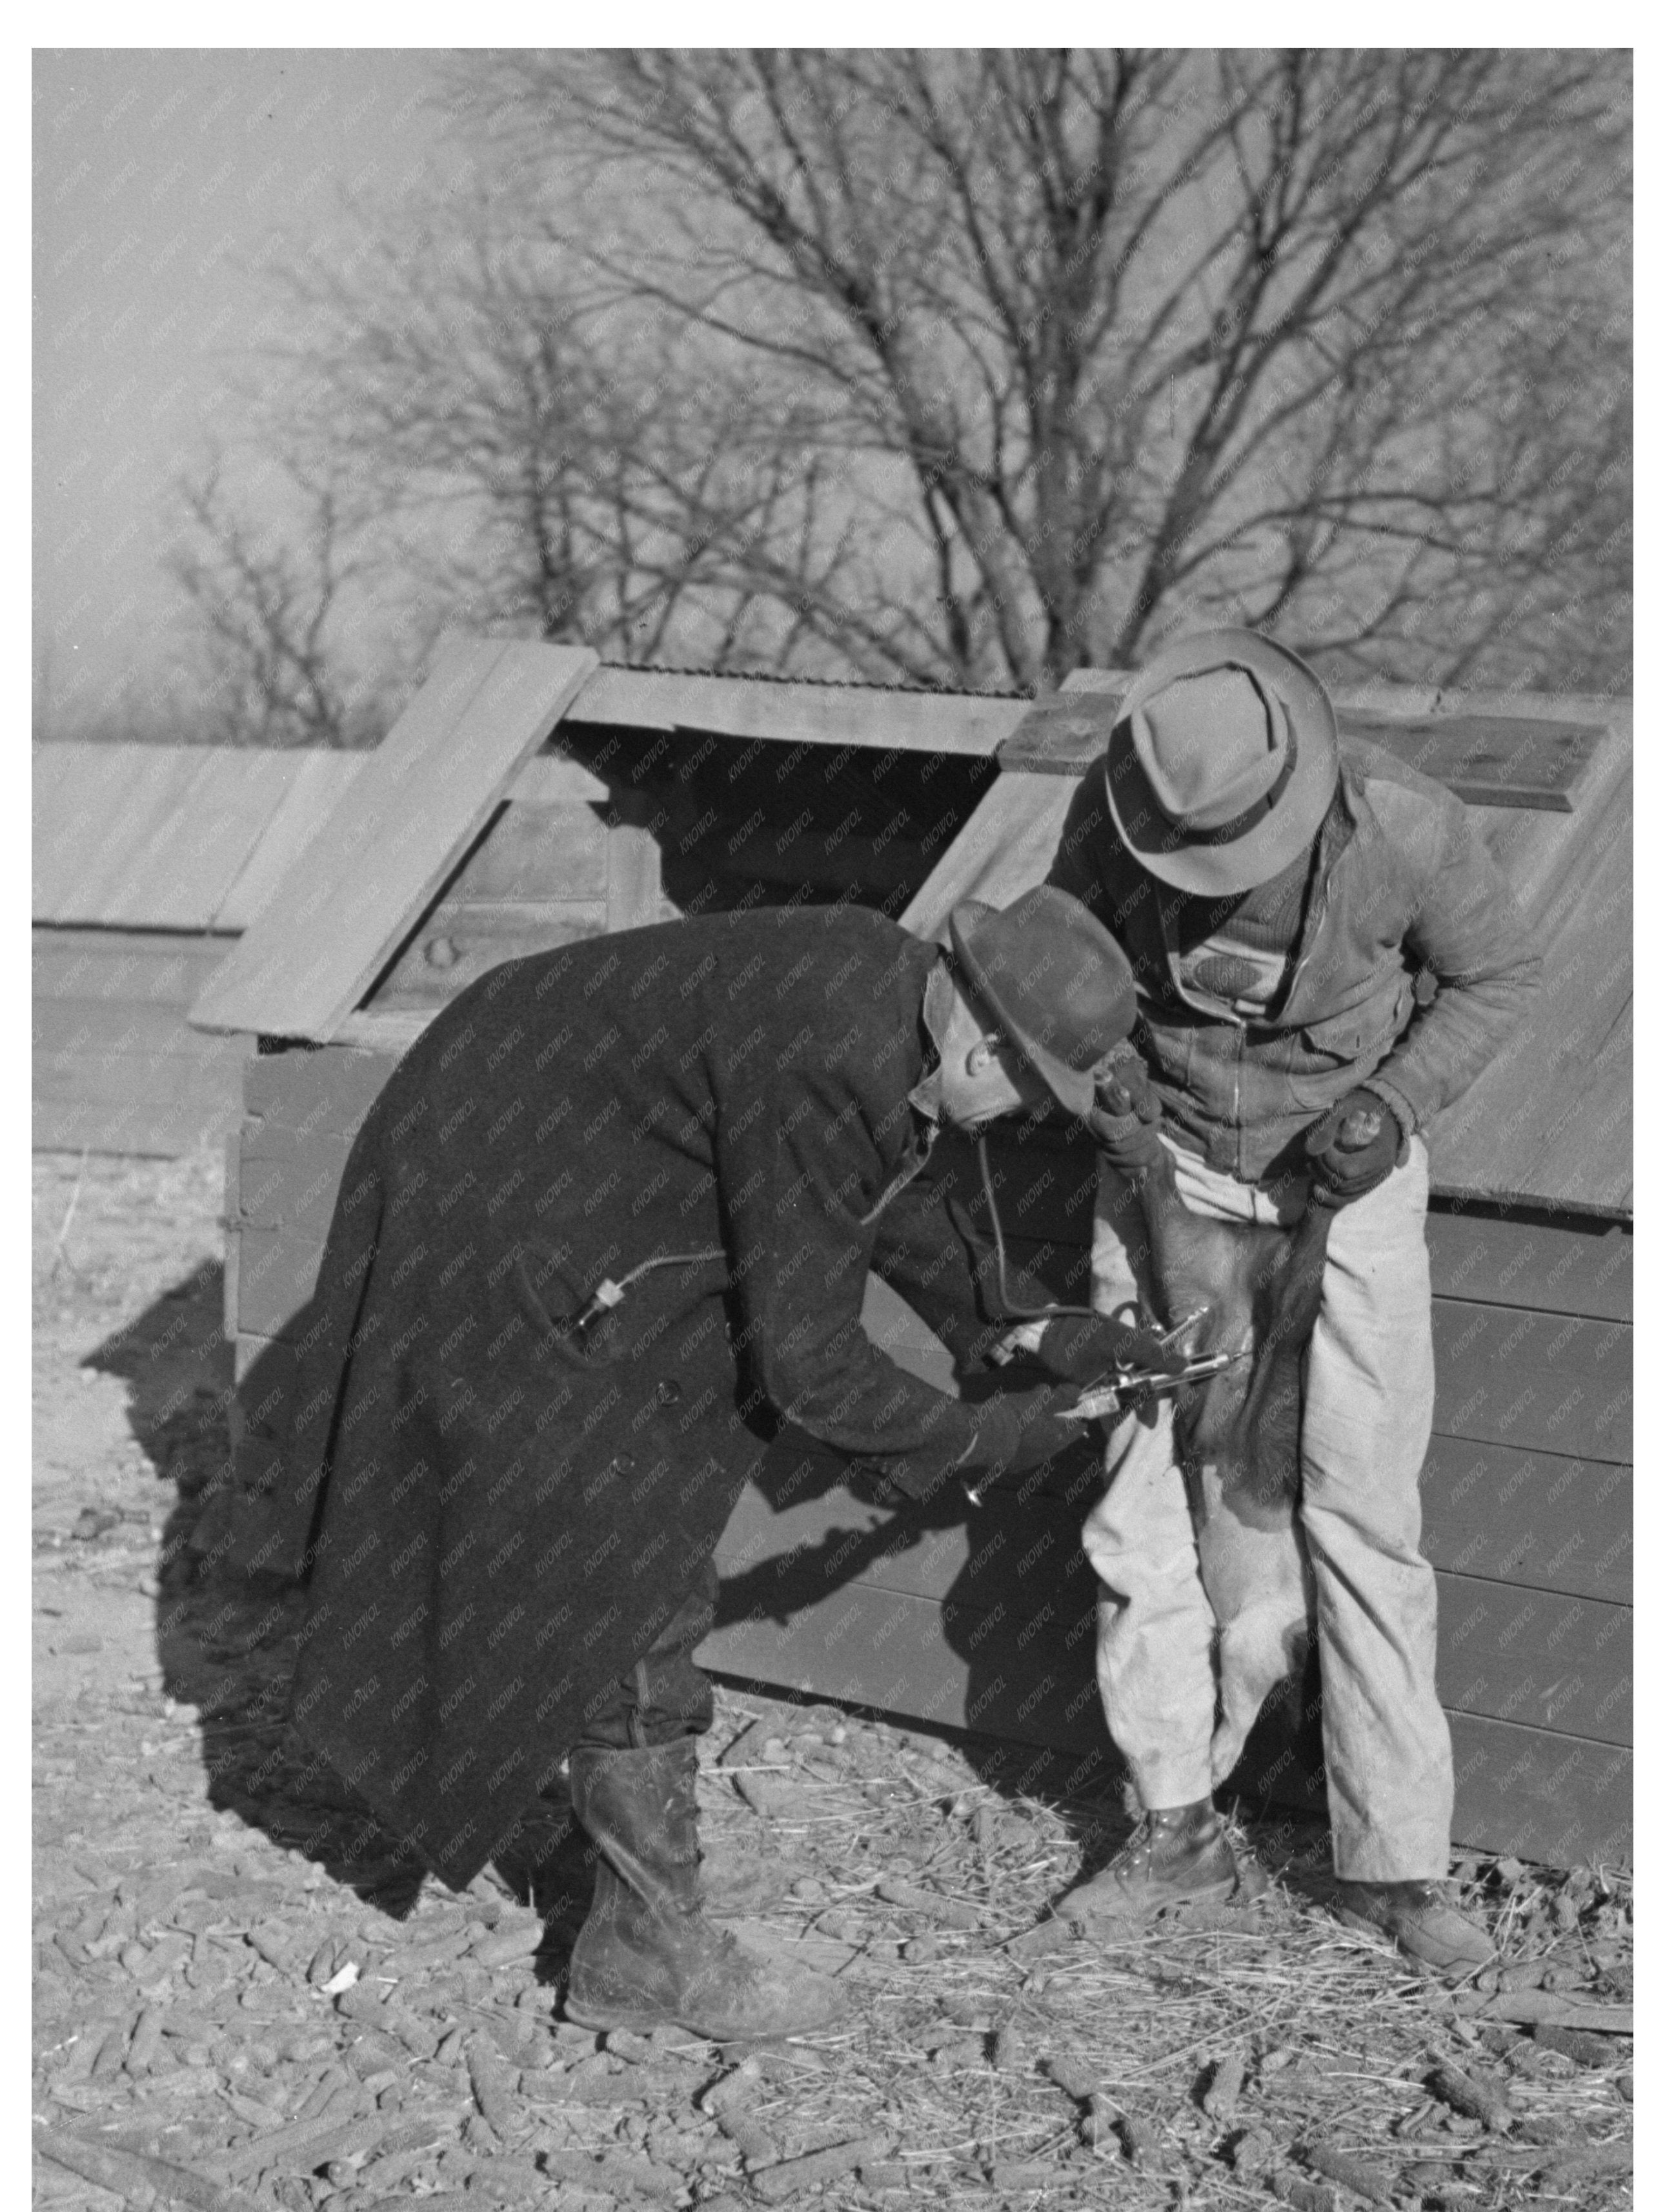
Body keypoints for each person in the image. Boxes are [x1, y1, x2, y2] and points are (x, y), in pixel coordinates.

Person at [284, 891, 1156, 2042]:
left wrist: (1028, 1326)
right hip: (484, 1184)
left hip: (563, 1157)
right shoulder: (831, 1049)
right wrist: (993, 1438)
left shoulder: (888, 1003)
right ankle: (644, 1943)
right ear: (983, 1042)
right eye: (1028, 1096)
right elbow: (810, 1366)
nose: (1015, 1122)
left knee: (651, 1479)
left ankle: (638, 1870)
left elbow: (881, 1202)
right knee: (625, 1526)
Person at [1044, 627, 1542, 1974]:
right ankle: (1174, 1823)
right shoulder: (1113, 804)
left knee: (1364, 1511)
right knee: (1137, 1500)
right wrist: (1103, 1078)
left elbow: (1501, 978)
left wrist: (1392, 1101)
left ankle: (1394, 1860)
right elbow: (1067, 973)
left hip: (1355, 1170)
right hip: (1174, 1170)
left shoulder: (1409, 828)